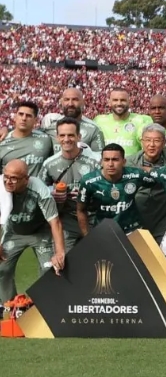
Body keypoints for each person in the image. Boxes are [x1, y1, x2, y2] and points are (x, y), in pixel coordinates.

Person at [0, 159, 67, 302]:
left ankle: (41, 309)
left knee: (49, 269)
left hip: (39, 232)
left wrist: (60, 252)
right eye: (5, 176)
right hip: (14, 233)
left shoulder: (39, 189)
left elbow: (55, 222)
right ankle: (9, 307)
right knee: (2, 270)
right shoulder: (1, 187)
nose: (8, 181)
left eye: (14, 178)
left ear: (26, 179)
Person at [37, 117, 101, 251]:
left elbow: (106, 188)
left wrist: (89, 194)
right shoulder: (49, 164)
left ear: (79, 137)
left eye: (71, 135)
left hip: (93, 219)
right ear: (57, 137)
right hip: (66, 221)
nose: (66, 139)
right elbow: (39, 192)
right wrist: (52, 194)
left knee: (97, 261)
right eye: (62, 135)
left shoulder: (95, 162)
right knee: (64, 262)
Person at [77, 143, 156, 235]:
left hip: (133, 229)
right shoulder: (89, 181)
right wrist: (87, 236)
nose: (110, 164)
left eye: (115, 159)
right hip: (104, 231)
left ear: (124, 161)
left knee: (142, 250)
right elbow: (81, 210)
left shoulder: (136, 175)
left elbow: (161, 181)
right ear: (101, 162)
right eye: (106, 160)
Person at [92, 88, 152, 156]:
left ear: (129, 102)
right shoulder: (99, 121)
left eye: (123, 100)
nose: (119, 103)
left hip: (132, 166)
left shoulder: (141, 120)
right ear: (109, 102)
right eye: (115, 100)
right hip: (108, 165)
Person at [0, 101, 54, 176]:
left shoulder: (46, 138)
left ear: (36, 120)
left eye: (28, 116)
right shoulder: (2, 140)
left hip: (37, 187)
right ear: (15, 117)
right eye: (21, 114)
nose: (24, 118)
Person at [41, 88, 105, 152]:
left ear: (83, 102)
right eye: (67, 99)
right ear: (62, 102)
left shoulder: (93, 129)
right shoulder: (50, 124)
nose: (70, 103)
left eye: (75, 99)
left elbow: (99, 157)